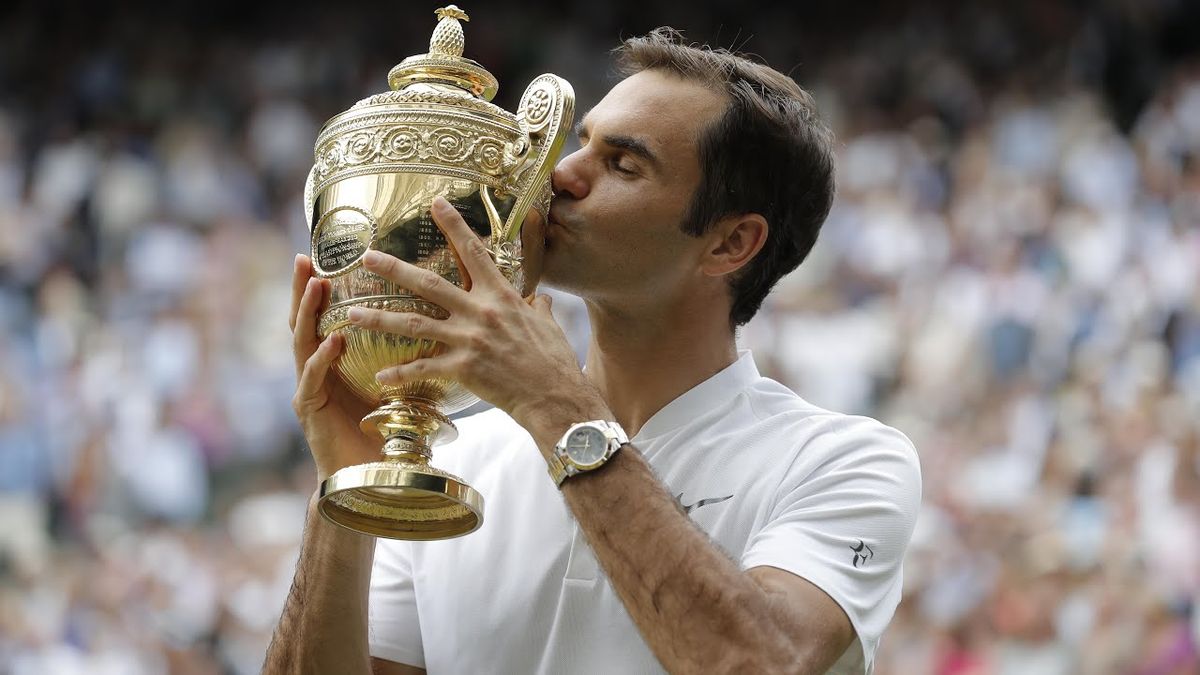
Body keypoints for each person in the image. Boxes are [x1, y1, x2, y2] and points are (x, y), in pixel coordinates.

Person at [264, 28, 921, 675]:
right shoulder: (458, 457)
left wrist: (557, 407)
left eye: (623, 164)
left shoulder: (841, 462)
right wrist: (344, 490)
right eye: (582, 145)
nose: (562, 176)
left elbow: (755, 664)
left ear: (730, 244)